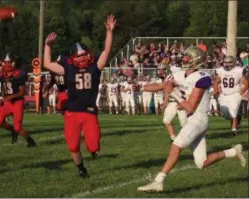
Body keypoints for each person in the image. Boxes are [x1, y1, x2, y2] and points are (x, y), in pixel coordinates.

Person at [137, 47, 246, 192]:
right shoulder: (182, 74)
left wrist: (173, 93)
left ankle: (159, 181)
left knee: (177, 144)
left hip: (198, 118)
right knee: (202, 162)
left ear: (197, 60)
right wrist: (141, 87)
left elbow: (190, 108)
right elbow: (162, 85)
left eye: (188, 57)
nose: (184, 59)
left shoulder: (202, 77)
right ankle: (233, 151)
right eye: (185, 57)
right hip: (192, 120)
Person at [43, 15, 116, 177]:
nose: (83, 59)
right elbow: (47, 64)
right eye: (79, 56)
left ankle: (92, 151)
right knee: (73, 145)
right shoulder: (67, 68)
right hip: (72, 111)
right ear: (73, 58)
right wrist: (47, 45)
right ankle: (81, 168)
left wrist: (109, 32)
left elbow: (107, 51)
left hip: (89, 111)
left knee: (93, 146)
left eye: (84, 56)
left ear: (88, 55)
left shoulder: (95, 65)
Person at [0, 54, 37, 147]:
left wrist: (10, 97)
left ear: (13, 63)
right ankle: (12, 130)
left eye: (8, 62)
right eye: (5, 62)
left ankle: (31, 142)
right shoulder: (1, 75)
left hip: (18, 102)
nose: (6, 64)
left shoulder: (19, 74)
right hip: (8, 103)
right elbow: (3, 89)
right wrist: (2, 98)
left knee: (18, 127)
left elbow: (22, 92)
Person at [213, 55, 248, 136]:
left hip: (235, 94)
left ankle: (234, 129)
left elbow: (246, 83)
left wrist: (242, 92)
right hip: (224, 94)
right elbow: (216, 82)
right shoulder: (220, 70)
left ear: (233, 63)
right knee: (225, 113)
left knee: (233, 111)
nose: (227, 64)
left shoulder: (238, 70)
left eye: (229, 62)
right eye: (225, 62)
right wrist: (215, 91)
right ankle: (237, 117)